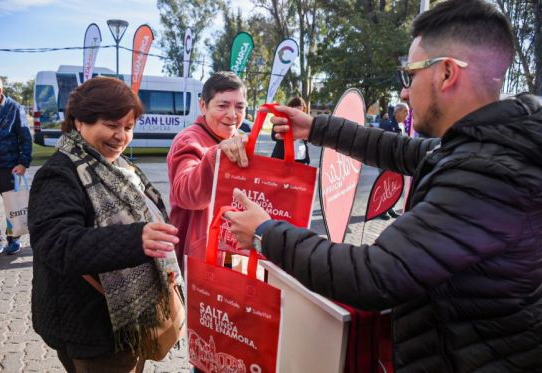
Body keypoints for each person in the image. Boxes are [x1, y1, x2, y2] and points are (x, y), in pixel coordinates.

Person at [226, 1, 542, 372]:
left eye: (409, 75)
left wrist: (265, 233)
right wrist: (317, 128)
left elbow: (372, 275)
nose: (404, 93)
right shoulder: (490, 143)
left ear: (446, 73)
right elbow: (402, 150)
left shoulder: (486, 175)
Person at [28, 77, 181, 372]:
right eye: (112, 124)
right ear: (79, 122)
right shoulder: (60, 173)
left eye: (129, 127)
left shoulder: (120, 166)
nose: (121, 136)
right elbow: (58, 244)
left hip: (128, 320)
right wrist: (136, 240)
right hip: (90, 327)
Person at [166, 71, 248, 268]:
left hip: (233, 249)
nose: (232, 115)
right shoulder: (188, 140)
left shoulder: (239, 139)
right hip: (200, 256)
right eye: (222, 106)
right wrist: (215, 157)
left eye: (239, 107)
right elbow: (186, 194)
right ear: (203, 106)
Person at [0, 74, 32, 258]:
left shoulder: (14, 108)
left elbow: (25, 138)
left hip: (9, 167)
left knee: (13, 207)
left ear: (0, 91)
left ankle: (13, 239)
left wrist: (23, 162)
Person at [271, 96, 311, 165]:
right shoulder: (281, 119)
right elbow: (273, 137)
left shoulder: (305, 121)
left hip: (300, 158)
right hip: (282, 157)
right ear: (290, 108)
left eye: (302, 111)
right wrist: (289, 136)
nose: (299, 114)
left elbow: (307, 140)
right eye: (296, 111)